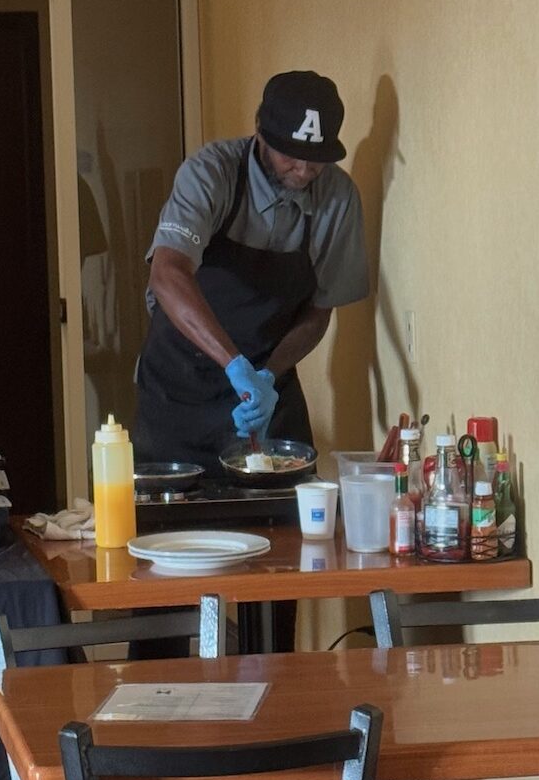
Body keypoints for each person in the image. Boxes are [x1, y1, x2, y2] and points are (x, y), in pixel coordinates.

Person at [133, 70, 369, 652]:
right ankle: (153, 719)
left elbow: (317, 313)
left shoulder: (336, 198)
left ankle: (270, 717)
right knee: (164, 576)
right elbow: (168, 273)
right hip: (179, 394)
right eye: (293, 156)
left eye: (316, 159)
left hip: (268, 390)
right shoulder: (212, 173)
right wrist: (236, 365)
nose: (304, 171)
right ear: (262, 134)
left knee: (276, 565)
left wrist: (266, 375)